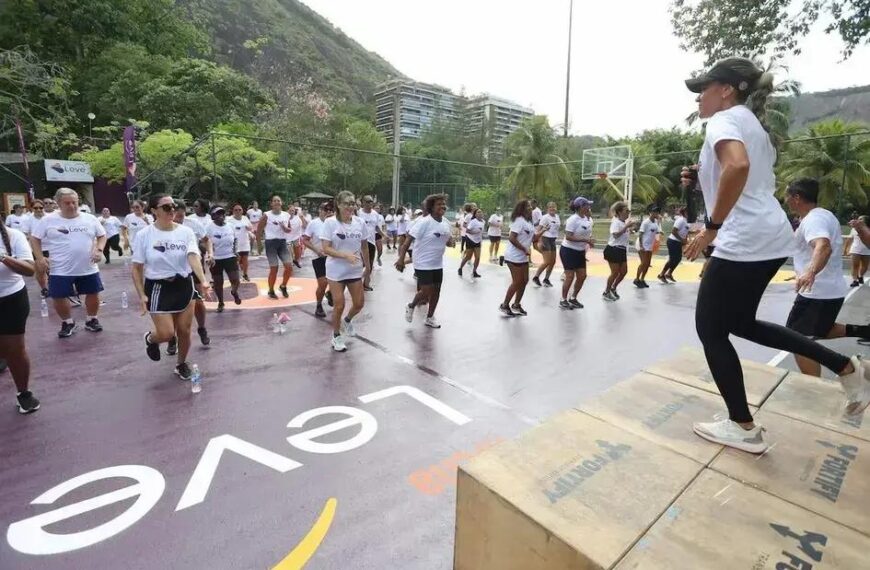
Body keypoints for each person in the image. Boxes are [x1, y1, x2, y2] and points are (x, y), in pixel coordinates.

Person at [682, 57, 869, 453]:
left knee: (711, 329)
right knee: (741, 323)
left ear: (727, 89)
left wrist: (711, 228)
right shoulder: (755, 127)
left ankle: (743, 426)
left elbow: (737, 166)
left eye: (705, 87)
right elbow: (742, 177)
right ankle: (846, 368)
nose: (700, 96)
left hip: (745, 237)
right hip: (768, 235)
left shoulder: (723, 120)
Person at [783, 179, 870, 374]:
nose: (786, 200)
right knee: (819, 330)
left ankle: (818, 387)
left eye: (788, 196)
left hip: (817, 292)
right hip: (828, 291)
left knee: (796, 340)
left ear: (797, 198)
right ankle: (862, 331)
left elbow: (823, 246)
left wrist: (810, 272)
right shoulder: (823, 215)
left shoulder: (814, 219)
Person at [132, 194, 210, 381]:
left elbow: (193, 256)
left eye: (173, 206)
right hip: (158, 287)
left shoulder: (185, 232)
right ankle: (151, 339)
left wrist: (203, 279)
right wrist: (142, 294)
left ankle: (181, 363)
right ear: (154, 211)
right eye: (166, 207)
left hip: (183, 284)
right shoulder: (145, 235)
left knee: (184, 330)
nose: (172, 210)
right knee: (166, 333)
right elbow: (137, 268)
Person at [31, 188, 106, 338]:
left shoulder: (89, 219)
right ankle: (67, 322)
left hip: (87, 266)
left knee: (93, 293)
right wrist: (39, 257)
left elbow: (102, 235)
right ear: (58, 203)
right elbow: (34, 238)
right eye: (67, 203)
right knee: (58, 296)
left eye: (74, 202)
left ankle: (92, 319)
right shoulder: (48, 220)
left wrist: (99, 249)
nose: (72, 206)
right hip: (60, 267)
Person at [320, 191, 369, 352]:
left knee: (359, 304)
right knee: (339, 304)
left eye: (353, 203)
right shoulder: (330, 223)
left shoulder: (360, 222)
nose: (350, 206)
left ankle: (347, 321)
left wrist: (368, 266)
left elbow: (364, 245)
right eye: (347, 203)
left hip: (354, 269)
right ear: (339, 205)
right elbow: (326, 248)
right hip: (336, 270)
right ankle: (336, 336)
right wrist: (345, 255)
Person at [397, 194, 454, 328]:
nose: (442, 206)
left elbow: (447, 240)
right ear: (432, 207)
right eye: (439, 204)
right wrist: (401, 260)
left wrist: (450, 243)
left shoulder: (446, 223)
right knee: (426, 290)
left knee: (437, 290)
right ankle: (411, 306)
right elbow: (407, 242)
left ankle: (430, 317)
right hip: (422, 262)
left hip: (437, 262)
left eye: (443, 204)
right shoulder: (424, 222)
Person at [0, 220, 39, 413]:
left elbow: (30, 270)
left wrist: (3, 257)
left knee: (15, 349)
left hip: (10, 299)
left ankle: (24, 393)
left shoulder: (13, 236)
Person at [173, 201, 210, 349]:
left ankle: (202, 328)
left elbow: (207, 240)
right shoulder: (163, 227)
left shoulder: (192, 225)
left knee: (198, 303)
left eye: (181, 216)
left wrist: (210, 254)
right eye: (176, 216)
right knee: (174, 305)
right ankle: (172, 338)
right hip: (173, 269)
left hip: (193, 267)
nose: (178, 219)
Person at [499, 200, 542, 316]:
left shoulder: (529, 222)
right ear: (521, 209)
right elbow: (512, 238)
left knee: (525, 281)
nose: (530, 208)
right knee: (517, 282)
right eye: (527, 206)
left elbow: (532, 238)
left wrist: (542, 231)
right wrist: (524, 249)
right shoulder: (519, 221)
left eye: (530, 206)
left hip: (522, 257)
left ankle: (516, 305)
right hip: (513, 256)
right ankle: (504, 305)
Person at [558, 197, 595, 309]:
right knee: (570, 276)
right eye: (587, 205)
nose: (589, 207)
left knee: (582, 276)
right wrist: (585, 240)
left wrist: (590, 240)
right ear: (580, 207)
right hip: (568, 250)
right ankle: (563, 299)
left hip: (580, 252)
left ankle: (573, 298)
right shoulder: (572, 219)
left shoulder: (587, 219)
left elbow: (587, 233)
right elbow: (568, 236)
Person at [256, 196, 294, 299]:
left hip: (282, 243)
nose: (276, 202)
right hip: (271, 243)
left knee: (289, 266)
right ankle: (271, 290)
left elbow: (289, 229)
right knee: (274, 268)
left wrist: (285, 228)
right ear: (271, 204)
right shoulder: (267, 215)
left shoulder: (286, 215)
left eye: (278, 200)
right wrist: (259, 245)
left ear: (281, 203)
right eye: (274, 201)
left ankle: (283, 286)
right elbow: (259, 230)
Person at [207, 206, 242, 312]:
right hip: (216, 258)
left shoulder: (230, 226)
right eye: (218, 214)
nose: (221, 216)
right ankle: (221, 302)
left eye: (222, 213)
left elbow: (235, 239)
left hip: (230, 256)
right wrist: (209, 254)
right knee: (218, 282)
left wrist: (236, 251)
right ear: (213, 216)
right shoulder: (209, 227)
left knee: (235, 279)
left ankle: (234, 292)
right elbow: (204, 241)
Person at [303, 201, 334, 318]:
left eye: (331, 210)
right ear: (320, 211)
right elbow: (305, 239)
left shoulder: (335, 223)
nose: (328, 212)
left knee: (337, 281)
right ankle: (319, 305)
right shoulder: (314, 223)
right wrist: (316, 250)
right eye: (326, 210)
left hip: (333, 257)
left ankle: (330, 293)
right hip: (319, 257)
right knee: (323, 283)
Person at [603, 202, 635, 301]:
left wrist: (630, 229)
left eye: (629, 211)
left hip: (621, 250)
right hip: (613, 249)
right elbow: (615, 235)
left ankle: (613, 287)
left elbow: (622, 235)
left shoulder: (622, 222)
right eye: (626, 211)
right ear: (619, 212)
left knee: (624, 271)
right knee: (615, 272)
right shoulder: (616, 222)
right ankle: (606, 292)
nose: (628, 213)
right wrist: (626, 227)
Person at [532, 202, 561, 287]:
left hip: (553, 240)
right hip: (545, 239)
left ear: (556, 208)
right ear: (547, 209)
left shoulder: (557, 217)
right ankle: (536, 277)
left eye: (554, 207)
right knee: (547, 261)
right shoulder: (545, 218)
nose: (552, 209)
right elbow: (538, 230)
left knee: (553, 261)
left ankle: (546, 279)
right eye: (550, 207)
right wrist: (540, 241)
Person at [658, 206, 689, 283]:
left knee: (678, 259)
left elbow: (685, 231)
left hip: (678, 242)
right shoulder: (680, 220)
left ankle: (669, 274)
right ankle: (661, 274)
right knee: (672, 259)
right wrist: (682, 240)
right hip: (673, 241)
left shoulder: (686, 221)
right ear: (685, 212)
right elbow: (674, 231)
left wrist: (694, 232)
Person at [634, 206, 661, 288]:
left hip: (649, 245)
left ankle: (642, 279)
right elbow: (641, 234)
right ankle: (637, 279)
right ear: (651, 213)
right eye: (654, 212)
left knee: (648, 264)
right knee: (643, 263)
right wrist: (642, 246)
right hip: (643, 245)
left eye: (657, 212)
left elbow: (656, 231)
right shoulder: (646, 222)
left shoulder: (656, 222)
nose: (656, 214)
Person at [358, 196, 380, 291]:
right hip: (360, 242)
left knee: (369, 265)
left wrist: (384, 235)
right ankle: (355, 282)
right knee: (360, 265)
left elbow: (377, 227)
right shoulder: (359, 213)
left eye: (371, 202)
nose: (370, 203)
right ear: (363, 203)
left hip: (371, 242)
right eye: (367, 202)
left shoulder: (375, 214)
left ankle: (366, 284)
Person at [229, 204, 254, 281]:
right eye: (236, 210)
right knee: (237, 260)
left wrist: (250, 231)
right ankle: (236, 276)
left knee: (245, 259)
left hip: (245, 242)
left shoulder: (245, 218)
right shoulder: (229, 220)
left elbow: (250, 228)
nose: (238, 211)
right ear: (233, 211)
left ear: (242, 211)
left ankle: (245, 274)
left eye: (239, 210)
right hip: (235, 243)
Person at [458, 208, 484, 279]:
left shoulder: (483, 222)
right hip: (470, 240)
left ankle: (474, 271)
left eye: (481, 212)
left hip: (478, 241)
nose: (480, 213)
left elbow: (480, 233)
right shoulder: (473, 221)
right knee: (468, 257)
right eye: (478, 212)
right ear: (475, 214)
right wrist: (474, 232)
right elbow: (467, 230)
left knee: (478, 257)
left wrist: (481, 240)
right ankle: (460, 268)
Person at [849, 215, 869, 287]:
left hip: (867, 250)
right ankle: (855, 280)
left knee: (865, 266)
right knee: (855, 266)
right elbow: (850, 239)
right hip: (855, 249)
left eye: (861, 219)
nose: (858, 220)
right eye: (858, 219)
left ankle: (860, 276)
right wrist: (846, 249)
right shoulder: (854, 229)